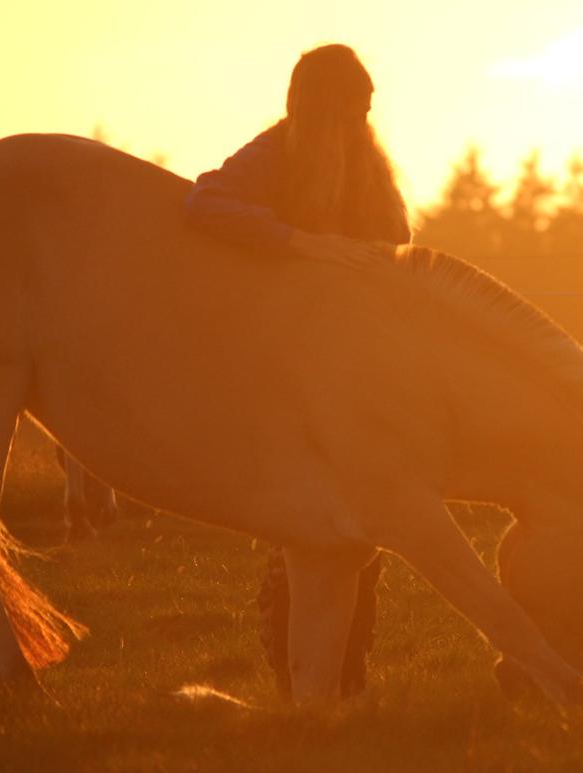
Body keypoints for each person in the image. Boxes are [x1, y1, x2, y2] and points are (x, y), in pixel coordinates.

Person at [183, 43, 411, 699]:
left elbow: (394, 249)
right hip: (287, 371)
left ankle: (343, 674)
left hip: (358, 371)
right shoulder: (274, 155)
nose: (359, 125)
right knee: (305, 535)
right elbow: (206, 202)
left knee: (361, 536)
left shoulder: (370, 171)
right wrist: (298, 244)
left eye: (364, 113)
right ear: (319, 107)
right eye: (349, 111)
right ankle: (298, 679)